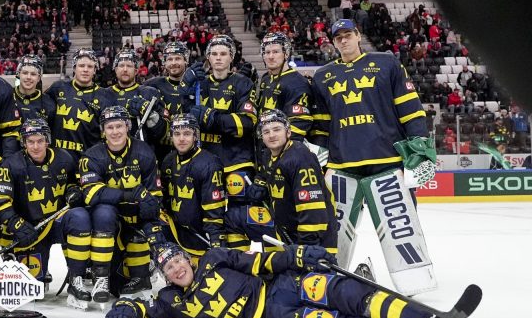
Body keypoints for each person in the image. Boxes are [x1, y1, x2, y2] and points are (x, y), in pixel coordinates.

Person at [103, 242, 500, 318]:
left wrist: (296, 255)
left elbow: (260, 261)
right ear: (163, 274)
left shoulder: (213, 258)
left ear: (186, 258)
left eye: (176, 260)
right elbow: (142, 308)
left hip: (282, 287)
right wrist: (124, 308)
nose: (175, 268)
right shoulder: (171, 301)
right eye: (167, 266)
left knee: (350, 293)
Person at [310, 19, 437, 296]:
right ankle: (328, 274)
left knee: (400, 223)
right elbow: (320, 126)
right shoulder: (322, 76)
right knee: (334, 228)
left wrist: (418, 150)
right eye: (338, 37)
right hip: (342, 165)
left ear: (358, 36)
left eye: (348, 35)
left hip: (387, 160)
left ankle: (413, 277)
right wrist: (319, 163)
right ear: (333, 43)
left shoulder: (386, 63)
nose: (344, 40)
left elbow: (410, 108)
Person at [0, 118, 90, 307]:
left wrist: (73, 191)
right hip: (31, 229)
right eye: (30, 141)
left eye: (40, 141)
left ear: (47, 140)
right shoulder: (12, 164)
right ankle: (36, 272)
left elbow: (74, 183)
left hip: (57, 222)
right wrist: (16, 224)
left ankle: (76, 279)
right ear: (23, 142)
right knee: (33, 291)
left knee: (80, 217)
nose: (35, 146)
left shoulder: (64, 158)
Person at [78, 105, 162, 305]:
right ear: (103, 130)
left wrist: (149, 205)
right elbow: (91, 194)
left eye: (119, 126)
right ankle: (101, 277)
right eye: (110, 127)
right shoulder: (92, 155)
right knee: (103, 212)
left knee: (147, 217)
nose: (115, 132)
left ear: (127, 127)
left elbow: (154, 194)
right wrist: (129, 194)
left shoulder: (144, 152)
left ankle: (142, 277)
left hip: (133, 215)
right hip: (108, 220)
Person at [187, 34, 258, 250]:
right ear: (208, 57)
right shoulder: (199, 84)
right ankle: (213, 256)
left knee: (238, 215)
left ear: (231, 57)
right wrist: (184, 90)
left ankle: (239, 259)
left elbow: (248, 122)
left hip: (237, 160)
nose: (218, 58)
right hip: (207, 161)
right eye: (214, 54)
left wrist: (213, 118)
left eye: (223, 54)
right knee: (208, 213)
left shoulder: (243, 83)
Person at [241, 109, 337, 256]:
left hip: (315, 242)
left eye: (277, 129)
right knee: (234, 218)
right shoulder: (267, 155)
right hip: (285, 231)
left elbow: (313, 210)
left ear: (288, 132)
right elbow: (266, 172)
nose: (271, 135)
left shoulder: (300, 158)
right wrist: (260, 183)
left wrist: (306, 249)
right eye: (266, 132)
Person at [150, 114, 226, 260]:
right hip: (176, 232)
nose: (181, 139)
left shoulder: (209, 164)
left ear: (195, 136)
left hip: (200, 235)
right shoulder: (168, 160)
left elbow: (214, 210)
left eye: (186, 134)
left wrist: (216, 240)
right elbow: (163, 198)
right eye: (177, 134)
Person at [46, 48, 118, 154]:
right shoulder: (58, 88)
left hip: (87, 159)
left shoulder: (104, 97)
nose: (85, 70)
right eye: (81, 66)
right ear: (74, 68)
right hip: (57, 158)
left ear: (95, 70)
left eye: (90, 66)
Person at [12, 55, 56, 127]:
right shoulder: (7, 96)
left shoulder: (49, 104)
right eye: (25, 73)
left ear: (39, 78)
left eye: (33, 74)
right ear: (18, 74)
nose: (28, 77)